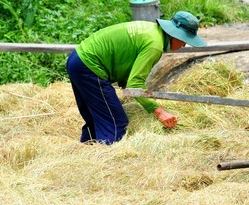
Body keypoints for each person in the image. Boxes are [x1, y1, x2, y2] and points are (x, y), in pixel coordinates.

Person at [66, 11, 207, 144]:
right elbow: (135, 84)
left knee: (96, 118)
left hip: (77, 59)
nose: (183, 45)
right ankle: (107, 162)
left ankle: (86, 152)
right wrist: (160, 112)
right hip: (89, 67)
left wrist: (125, 83)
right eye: (183, 40)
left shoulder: (151, 30)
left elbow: (126, 57)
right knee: (116, 122)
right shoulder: (154, 45)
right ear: (174, 35)